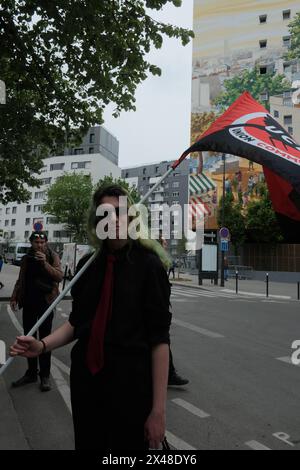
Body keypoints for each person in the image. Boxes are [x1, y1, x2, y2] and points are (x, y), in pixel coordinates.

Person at [10, 185, 172, 450]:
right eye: (105, 214)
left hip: (130, 388)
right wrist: (42, 345)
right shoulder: (88, 265)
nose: (114, 219)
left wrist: (158, 411)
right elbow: (77, 323)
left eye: (119, 211)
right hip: (87, 384)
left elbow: (159, 340)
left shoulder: (149, 266)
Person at [10, 231, 63, 392]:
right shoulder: (26, 258)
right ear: (31, 243)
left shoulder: (52, 256)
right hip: (29, 303)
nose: (39, 245)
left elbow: (59, 276)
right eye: (36, 242)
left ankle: (45, 376)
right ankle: (31, 373)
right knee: (28, 338)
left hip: (45, 304)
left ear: (46, 242)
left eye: (42, 242)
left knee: (45, 340)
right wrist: (14, 296)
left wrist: (45, 263)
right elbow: (21, 279)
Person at [158, 235, 189, 388]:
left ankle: (168, 373)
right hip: (156, 310)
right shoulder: (155, 261)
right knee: (161, 340)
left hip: (160, 307)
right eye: (163, 242)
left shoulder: (158, 260)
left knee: (162, 341)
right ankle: (168, 375)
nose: (166, 244)